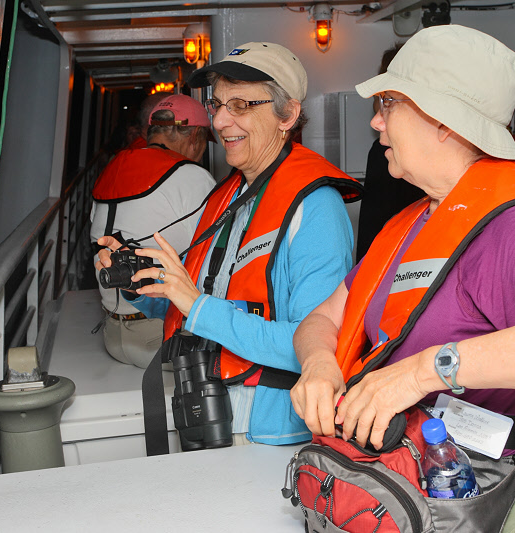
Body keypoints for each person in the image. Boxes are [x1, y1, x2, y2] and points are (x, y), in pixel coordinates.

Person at [290, 25, 515, 530]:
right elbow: (322, 318)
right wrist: (319, 364)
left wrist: (420, 372)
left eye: (390, 104)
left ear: (443, 122)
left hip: (473, 504)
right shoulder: (411, 224)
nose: (377, 122)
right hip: (398, 489)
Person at [96, 42, 363, 446]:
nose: (219, 121)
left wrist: (197, 306)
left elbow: (313, 350)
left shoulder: (317, 211)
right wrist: (139, 283)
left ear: (286, 115)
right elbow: (198, 304)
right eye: (217, 104)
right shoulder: (232, 197)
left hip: (269, 432)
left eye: (240, 105)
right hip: (212, 413)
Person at [90, 94, 216, 369]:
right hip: (161, 339)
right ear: (195, 136)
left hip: (112, 334)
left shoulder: (112, 167)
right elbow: (222, 252)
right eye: (204, 143)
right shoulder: (192, 176)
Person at [356, 43, 424, 261]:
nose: (376, 122)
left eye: (388, 99)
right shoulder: (382, 151)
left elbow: (373, 223)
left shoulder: (383, 151)